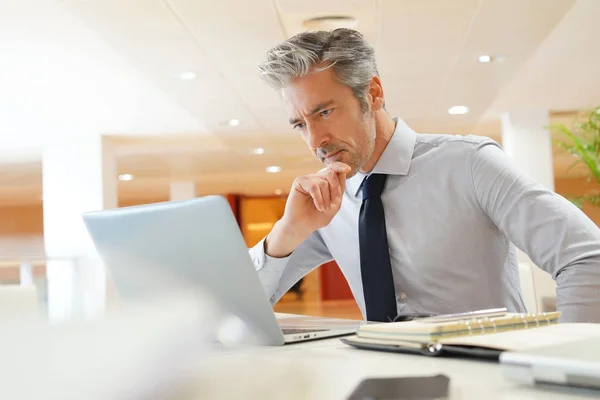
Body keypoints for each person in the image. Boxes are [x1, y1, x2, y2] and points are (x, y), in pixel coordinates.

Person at [249, 28, 600, 323]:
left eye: (324, 112)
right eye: (300, 124)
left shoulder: (469, 164)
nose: (314, 140)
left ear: (372, 94)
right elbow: (241, 305)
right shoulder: (326, 203)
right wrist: (287, 231)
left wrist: (569, 367)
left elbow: (585, 257)